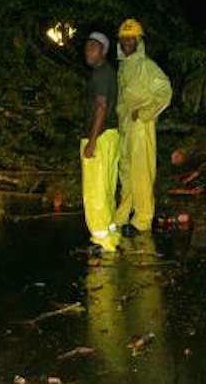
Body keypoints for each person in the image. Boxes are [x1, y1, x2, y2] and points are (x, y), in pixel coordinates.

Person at [114, 19, 172, 235]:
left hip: (141, 126)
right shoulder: (124, 66)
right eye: (124, 38)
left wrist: (145, 112)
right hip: (126, 126)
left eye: (131, 38)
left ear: (139, 40)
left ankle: (142, 220)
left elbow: (165, 91)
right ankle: (122, 214)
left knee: (141, 174)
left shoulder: (147, 66)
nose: (127, 41)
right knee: (126, 173)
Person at [80, 32, 121, 255]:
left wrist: (92, 141)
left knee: (95, 190)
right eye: (87, 47)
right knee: (107, 187)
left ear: (103, 52)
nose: (88, 51)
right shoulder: (108, 73)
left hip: (100, 136)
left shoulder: (101, 75)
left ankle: (101, 240)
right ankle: (111, 233)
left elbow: (101, 107)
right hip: (111, 135)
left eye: (94, 47)